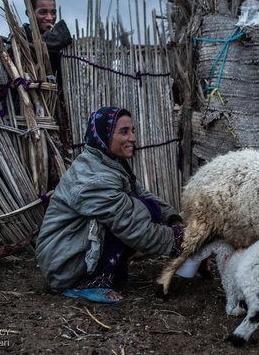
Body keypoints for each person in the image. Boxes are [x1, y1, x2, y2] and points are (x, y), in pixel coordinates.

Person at [36, 107, 184, 303]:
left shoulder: (109, 162)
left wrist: (172, 218)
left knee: (146, 206)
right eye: (124, 132)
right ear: (104, 136)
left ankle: (109, 273)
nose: (133, 138)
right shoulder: (94, 178)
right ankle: (84, 282)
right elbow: (131, 226)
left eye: (132, 131)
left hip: (71, 249)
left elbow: (142, 193)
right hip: (62, 262)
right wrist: (180, 241)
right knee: (131, 215)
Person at [24, 0, 72, 79]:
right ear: (29, 13)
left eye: (53, 13)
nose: (50, 18)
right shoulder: (22, 37)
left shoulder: (60, 38)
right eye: (43, 12)